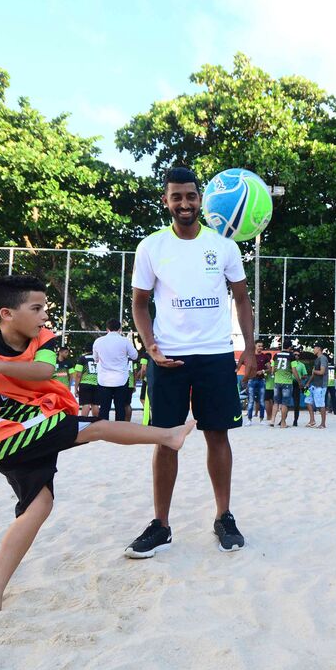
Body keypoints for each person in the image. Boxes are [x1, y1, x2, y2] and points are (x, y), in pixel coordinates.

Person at [0, 275, 196, 612]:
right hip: (10, 439)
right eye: (36, 308)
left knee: (39, 507)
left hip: (27, 438)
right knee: (96, 426)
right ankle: (168, 435)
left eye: (45, 308)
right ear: (7, 314)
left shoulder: (41, 340)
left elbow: (41, 372)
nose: (44, 316)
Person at [127, 166, 256, 557]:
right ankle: (161, 525)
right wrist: (150, 347)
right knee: (166, 440)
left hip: (216, 355)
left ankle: (223, 516)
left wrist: (249, 349)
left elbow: (243, 300)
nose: (185, 203)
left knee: (219, 435)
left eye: (191, 196)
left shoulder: (225, 246)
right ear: (166, 201)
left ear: (201, 200)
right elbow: (139, 304)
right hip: (169, 358)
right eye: (177, 197)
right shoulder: (151, 246)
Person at [93, 318, 138, 422]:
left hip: (104, 379)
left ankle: (104, 430)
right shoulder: (125, 341)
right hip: (121, 379)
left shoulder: (98, 341)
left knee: (104, 407)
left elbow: (96, 359)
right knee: (120, 407)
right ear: (120, 328)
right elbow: (135, 356)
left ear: (107, 328)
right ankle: (119, 430)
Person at [239, 342, 270, 426]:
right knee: (251, 401)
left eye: (262, 346)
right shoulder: (250, 356)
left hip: (261, 380)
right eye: (259, 346)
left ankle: (261, 419)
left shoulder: (265, 357)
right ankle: (249, 419)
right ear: (255, 346)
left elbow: (269, 369)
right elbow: (242, 362)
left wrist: (262, 371)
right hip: (251, 380)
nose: (261, 347)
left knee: (262, 401)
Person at [271, 339, 297, 428]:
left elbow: (273, 369)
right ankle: (283, 422)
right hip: (287, 382)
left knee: (276, 402)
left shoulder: (276, 355)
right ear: (289, 347)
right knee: (285, 403)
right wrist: (299, 380)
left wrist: (275, 374)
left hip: (277, 381)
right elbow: (294, 370)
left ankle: (272, 420)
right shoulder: (291, 356)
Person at [72, 347, 99, 418]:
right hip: (97, 384)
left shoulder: (82, 358)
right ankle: (96, 421)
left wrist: (76, 388)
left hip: (85, 383)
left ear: (85, 350)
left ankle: (83, 422)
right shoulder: (99, 358)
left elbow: (78, 375)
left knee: (86, 404)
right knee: (95, 404)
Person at [306, 345, 329, 428]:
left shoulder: (323, 358)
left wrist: (314, 371)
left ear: (319, 349)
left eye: (314, 348)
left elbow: (322, 372)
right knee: (308, 401)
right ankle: (312, 421)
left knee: (320, 404)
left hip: (321, 385)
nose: (313, 350)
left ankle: (323, 424)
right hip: (314, 385)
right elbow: (314, 373)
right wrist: (308, 383)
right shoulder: (316, 359)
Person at [292, 350, 308, 426]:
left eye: (298, 355)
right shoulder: (290, 363)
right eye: (295, 354)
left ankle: (295, 420)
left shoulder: (301, 365)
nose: (296, 356)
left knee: (296, 403)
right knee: (285, 402)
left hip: (297, 383)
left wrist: (300, 377)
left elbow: (305, 375)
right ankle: (283, 419)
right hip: (288, 382)